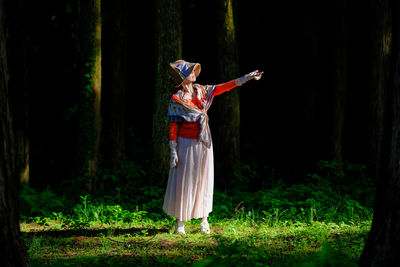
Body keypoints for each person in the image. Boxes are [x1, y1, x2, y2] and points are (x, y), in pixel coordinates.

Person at [163, 60, 263, 234]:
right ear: (182, 77)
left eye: (193, 70)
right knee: (183, 181)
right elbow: (173, 125)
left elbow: (223, 87)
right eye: (190, 71)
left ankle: (204, 220)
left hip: (204, 142)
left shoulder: (201, 90)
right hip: (186, 143)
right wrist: (173, 151)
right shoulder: (176, 99)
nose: (194, 72)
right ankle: (179, 222)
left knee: (203, 179)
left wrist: (246, 78)